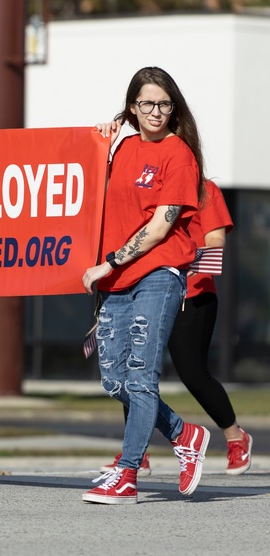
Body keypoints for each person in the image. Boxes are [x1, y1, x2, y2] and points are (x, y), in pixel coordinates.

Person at [81, 66, 211, 505]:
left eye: (164, 103)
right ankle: (185, 433)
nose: (156, 111)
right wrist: (101, 139)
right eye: (146, 103)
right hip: (116, 281)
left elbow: (159, 227)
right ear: (132, 107)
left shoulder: (179, 155)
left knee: (140, 378)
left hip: (158, 274)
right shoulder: (120, 149)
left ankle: (128, 474)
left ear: (174, 107)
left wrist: (109, 262)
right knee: (114, 381)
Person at [99, 179, 252, 476]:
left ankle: (236, 436)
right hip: (143, 291)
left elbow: (216, 242)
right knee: (135, 370)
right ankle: (137, 452)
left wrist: (184, 261)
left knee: (192, 373)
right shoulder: (141, 191)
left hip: (192, 294)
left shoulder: (204, 190)